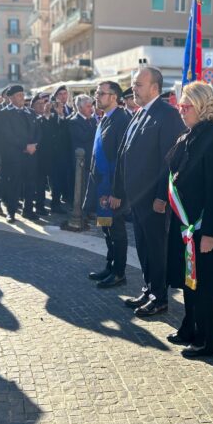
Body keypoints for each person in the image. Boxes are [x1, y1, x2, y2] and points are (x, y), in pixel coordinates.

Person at [111, 66, 185, 317]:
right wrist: (118, 190)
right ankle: (149, 288)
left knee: (156, 248)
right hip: (137, 198)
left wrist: (161, 197)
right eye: (133, 84)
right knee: (143, 246)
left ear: (155, 87)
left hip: (154, 199)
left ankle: (160, 297)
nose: (133, 89)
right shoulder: (140, 112)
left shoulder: (168, 115)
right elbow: (125, 153)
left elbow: (169, 159)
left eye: (138, 85)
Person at [166, 82, 213, 358]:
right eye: (180, 105)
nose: (181, 110)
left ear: (202, 105)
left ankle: (207, 339)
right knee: (189, 279)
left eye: (186, 106)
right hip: (186, 223)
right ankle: (189, 327)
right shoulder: (192, 133)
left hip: (204, 225)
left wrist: (210, 233)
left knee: (206, 285)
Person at [85, 81, 130, 288]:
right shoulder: (104, 118)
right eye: (96, 93)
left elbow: (122, 159)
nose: (97, 97)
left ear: (113, 97)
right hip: (101, 187)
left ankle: (119, 272)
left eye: (101, 93)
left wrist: (116, 192)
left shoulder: (122, 119)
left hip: (112, 191)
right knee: (106, 229)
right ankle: (110, 266)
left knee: (117, 231)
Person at [0, 84, 39, 223]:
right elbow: (7, 135)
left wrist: (34, 145)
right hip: (14, 155)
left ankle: (28, 210)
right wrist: (24, 146)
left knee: (30, 184)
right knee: (14, 185)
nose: (22, 97)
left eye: (22, 94)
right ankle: (11, 212)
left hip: (31, 154)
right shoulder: (4, 113)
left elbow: (38, 132)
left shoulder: (30, 112)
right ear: (10, 98)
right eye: (18, 95)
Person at [68, 94, 97, 209]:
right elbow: (83, 137)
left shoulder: (92, 120)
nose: (92, 109)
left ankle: (90, 209)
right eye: (88, 106)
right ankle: (82, 212)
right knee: (82, 187)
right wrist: (97, 127)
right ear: (80, 108)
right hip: (81, 162)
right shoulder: (74, 121)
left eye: (92, 106)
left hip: (92, 159)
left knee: (91, 187)